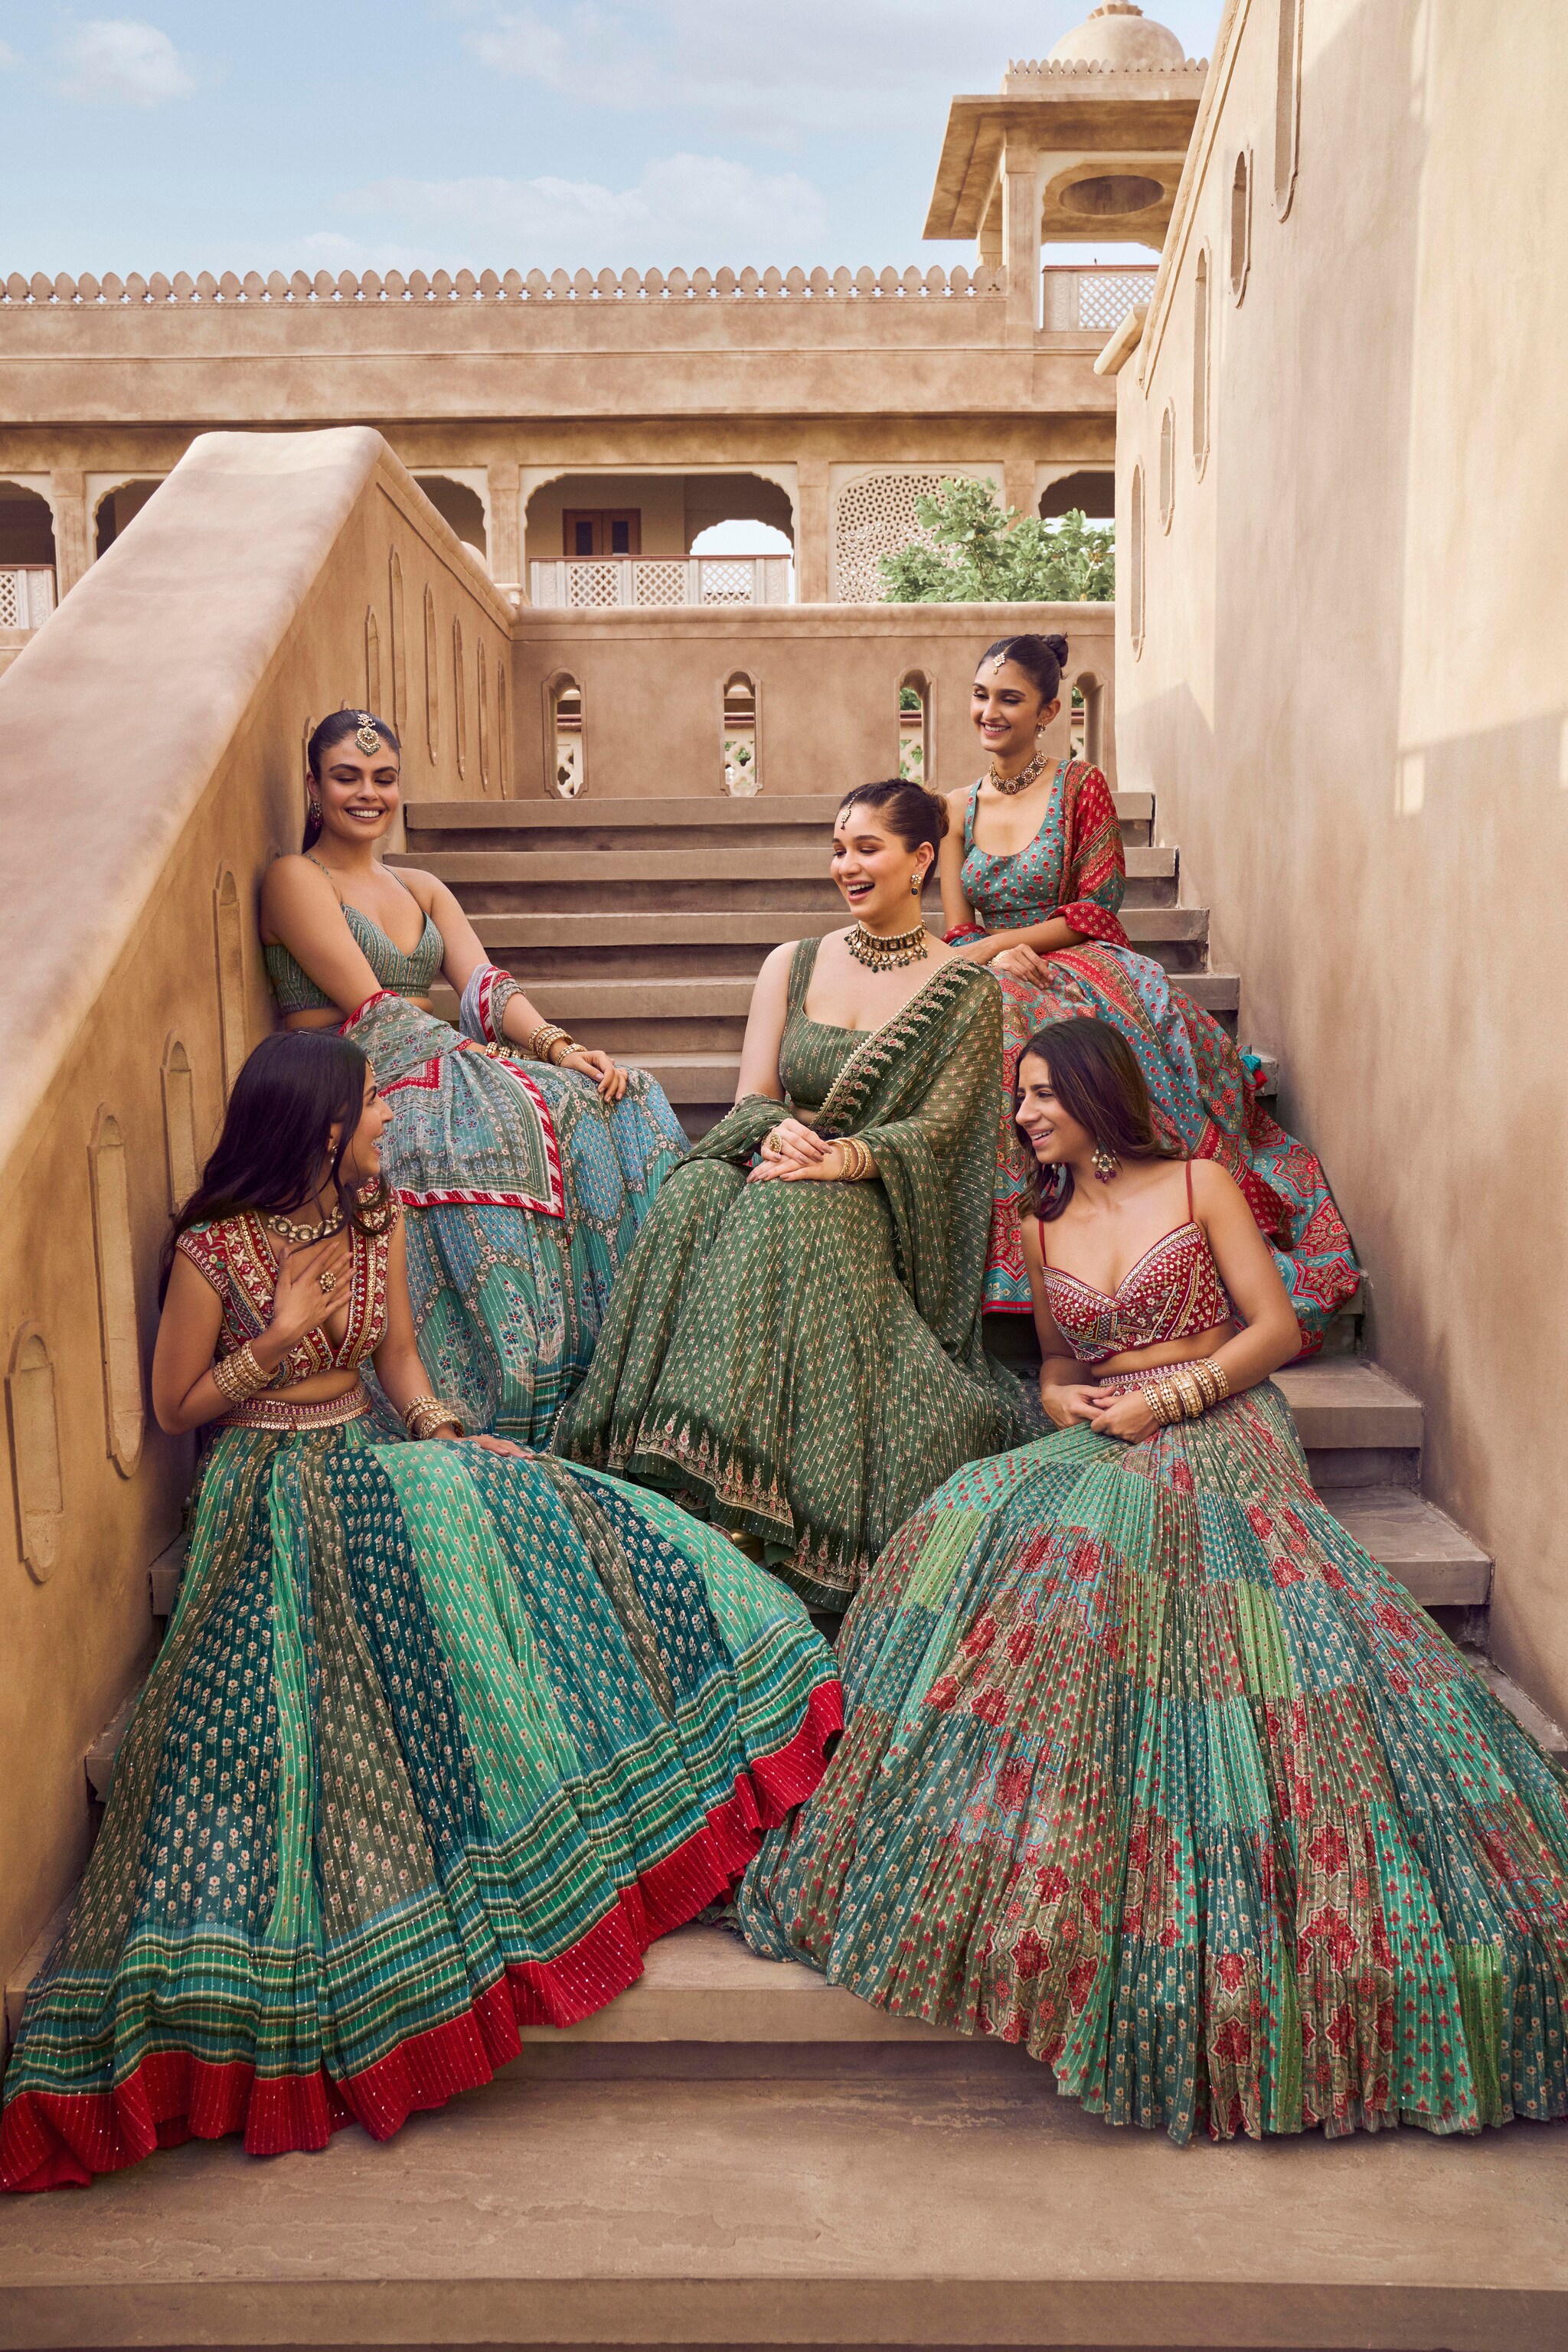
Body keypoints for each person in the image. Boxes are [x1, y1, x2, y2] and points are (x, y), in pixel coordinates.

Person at [0, 1032, 840, 2193]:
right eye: (375, 1109)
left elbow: (398, 1364)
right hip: (264, 1490)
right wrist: (283, 1344)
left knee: (539, 1504)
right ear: (322, 1125)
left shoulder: (370, 1225)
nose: (393, 1122)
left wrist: (448, 1429)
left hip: (365, 1453)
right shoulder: (214, 1251)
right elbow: (174, 1404)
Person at [739, 1018, 1568, 2145]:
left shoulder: (1200, 1183)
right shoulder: (1041, 1221)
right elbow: (1058, 1369)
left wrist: (1170, 1403)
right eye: (1019, 1098)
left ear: (1095, 1091)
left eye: (1040, 1094)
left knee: (1103, 1546)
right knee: (968, 1515)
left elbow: (1276, 1328)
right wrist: (1067, 1407)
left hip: (1220, 1418)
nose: (1024, 1115)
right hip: (1108, 1428)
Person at [554, 779, 1033, 1615]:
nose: (846, 865)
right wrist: (776, 1132)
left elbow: (949, 1132)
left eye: (867, 848)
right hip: (779, 1163)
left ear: (921, 860)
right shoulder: (793, 961)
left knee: (791, 1208)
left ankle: (748, 1505)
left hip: (878, 1202)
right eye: (838, 848)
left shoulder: (964, 990)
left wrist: (844, 1157)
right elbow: (754, 1097)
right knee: (694, 1191)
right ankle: (656, 1473)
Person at [259, 708, 687, 1444]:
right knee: (497, 1124)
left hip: (434, 1058)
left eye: (384, 779)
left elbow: (483, 985)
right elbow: (370, 1004)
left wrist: (557, 1047)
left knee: (621, 1095)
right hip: (347, 1075)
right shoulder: (296, 878)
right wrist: (473, 1059)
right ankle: (506, 1391)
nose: (368, 793)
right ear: (313, 787)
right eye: (347, 777)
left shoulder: (421, 886)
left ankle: (619, 1371)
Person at [939, 635, 1361, 1348]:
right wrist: (984, 954)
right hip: (990, 965)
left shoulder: (1080, 786)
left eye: (1009, 698)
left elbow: (1097, 905)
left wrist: (1007, 947)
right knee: (981, 1018)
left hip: (1075, 954)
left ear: (1048, 710)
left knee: (1047, 1033)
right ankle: (1011, 1246)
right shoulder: (953, 807)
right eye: (982, 695)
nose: (991, 711)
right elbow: (956, 929)